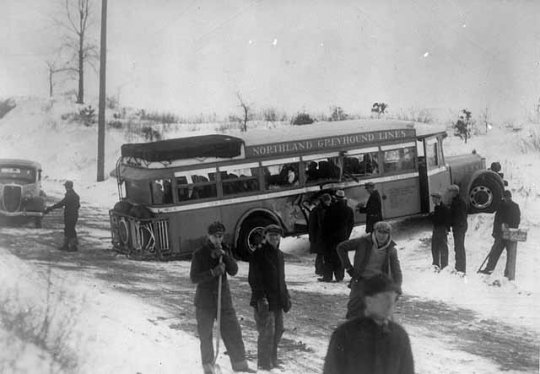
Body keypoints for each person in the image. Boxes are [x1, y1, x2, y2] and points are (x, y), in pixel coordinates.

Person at [190, 222, 255, 374]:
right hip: (204, 303)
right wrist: (212, 272)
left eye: (220, 236)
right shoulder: (199, 254)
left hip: (223, 300)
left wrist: (225, 257)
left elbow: (234, 270)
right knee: (206, 337)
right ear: (208, 236)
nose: (218, 240)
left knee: (233, 332)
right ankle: (208, 368)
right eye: (214, 237)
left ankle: (240, 366)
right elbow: (194, 278)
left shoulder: (225, 250)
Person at [323, 273, 414, 374]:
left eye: (393, 299)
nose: (390, 304)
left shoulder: (399, 336)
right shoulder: (345, 334)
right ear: (369, 300)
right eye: (385, 298)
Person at [336, 221, 403, 319]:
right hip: (361, 279)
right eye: (380, 232)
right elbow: (341, 247)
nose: (382, 235)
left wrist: (397, 286)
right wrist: (348, 267)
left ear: (389, 234)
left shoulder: (391, 250)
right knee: (354, 308)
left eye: (385, 233)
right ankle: (351, 329)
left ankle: (371, 331)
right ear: (374, 232)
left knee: (376, 312)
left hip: (378, 283)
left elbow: (396, 269)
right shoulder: (363, 242)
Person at [248, 224, 292, 371]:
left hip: (278, 300)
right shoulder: (259, 254)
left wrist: (286, 297)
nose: (274, 237)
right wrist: (261, 298)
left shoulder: (279, 254)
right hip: (265, 301)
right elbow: (253, 278)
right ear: (265, 236)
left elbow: (281, 278)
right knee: (267, 333)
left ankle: (272, 359)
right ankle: (264, 363)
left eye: (277, 235)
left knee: (278, 331)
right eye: (271, 235)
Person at [480, 190, 521, 278]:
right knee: (494, 252)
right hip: (500, 235)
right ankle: (488, 269)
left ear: (510, 197)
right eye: (505, 198)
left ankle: (508, 274)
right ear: (503, 197)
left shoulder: (515, 207)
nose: (506, 199)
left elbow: (517, 221)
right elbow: (497, 220)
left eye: (508, 198)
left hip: (510, 235)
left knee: (510, 255)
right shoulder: (500, 206)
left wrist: (508, 226)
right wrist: (495, 231)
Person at [319, 190, 354, 282]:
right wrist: (346, 235)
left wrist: (323, 237)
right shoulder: (349, 210)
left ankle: (327, 276)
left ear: (335, 198)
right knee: (340, 256)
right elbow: (351, 224)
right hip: (342, 237)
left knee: (329, 257)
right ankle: (339, 276)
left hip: (330, 238)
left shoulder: (330, 209)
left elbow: (325, 225)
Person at [44, 180, 80, 251]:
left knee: (70, 229)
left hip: (70, 215)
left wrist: (52, 208)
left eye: (66, 186)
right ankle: (66, 245)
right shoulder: (74, 195)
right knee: (68, 229)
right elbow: (78, 205)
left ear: (67, 187)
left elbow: (62, 203)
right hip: (73, 214)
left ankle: (73, 246)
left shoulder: (70, 195)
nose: (65, 188)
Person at [308, 193, 332, 276]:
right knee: (321, 254)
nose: (329, 203)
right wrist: (312, 237)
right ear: (324, 201)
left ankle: (320, 270)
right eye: (328, 201)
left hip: (321, 236)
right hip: (320, 236)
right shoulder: (318, 210)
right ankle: (319, 270)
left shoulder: (319, 209)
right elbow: (312, 225)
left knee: (321, 254)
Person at [447, 184, 468, 275]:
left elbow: (462, 215)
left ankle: (461, 269)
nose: (449, 193)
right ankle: (458, 267)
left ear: (455, 192)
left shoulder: (459, 202)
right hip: (457, 227)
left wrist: (458, 225)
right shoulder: (456, 201)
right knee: (458, 247)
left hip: (459, 227)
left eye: (450, 192)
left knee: (459, 247)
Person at [429, 192, 450, 272]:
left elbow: (446, 219)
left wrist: (446, 229)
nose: (432, 200)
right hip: (436, 229)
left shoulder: (443, 208)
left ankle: (444, 265)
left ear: (438, 199)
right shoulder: (436, 208)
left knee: (443, 247)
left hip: (441, 229)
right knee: (434, 247)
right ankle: (436, 264)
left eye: (434, 198)